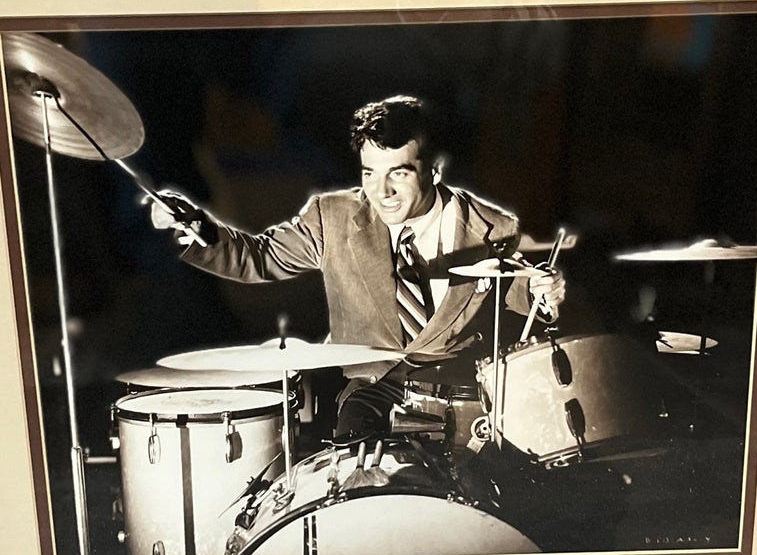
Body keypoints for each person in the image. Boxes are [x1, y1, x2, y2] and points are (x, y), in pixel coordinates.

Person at [149, 95, 565, 439]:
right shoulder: (332, 219)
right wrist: (196, 226)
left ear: (435, 170)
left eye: (398, 174)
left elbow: (519, 295)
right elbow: (258, 257)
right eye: (370, 173)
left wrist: (544, 294)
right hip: (372, 392)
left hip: (468, 394)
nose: (381, 192)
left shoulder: (493, 228)